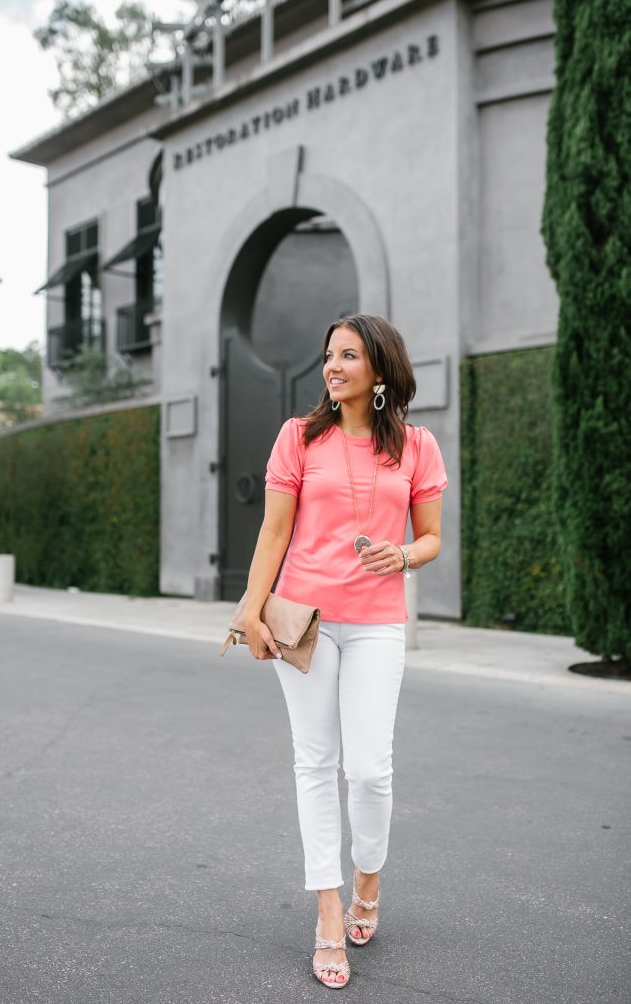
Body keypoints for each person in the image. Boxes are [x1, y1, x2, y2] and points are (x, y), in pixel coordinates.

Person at [241, 314, 448, 989]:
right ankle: (329, 907)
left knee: (369, 770)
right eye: (329, 355)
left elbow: (431, 537)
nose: (332, 366)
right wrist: (250, 611)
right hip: (305, 617)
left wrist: (405, 555)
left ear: (380, 371)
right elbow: (274, 533)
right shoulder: (298, 438)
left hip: (377, 622)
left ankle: (368, 875)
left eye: (349, 355)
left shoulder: (416, 447)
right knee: (315, 761)